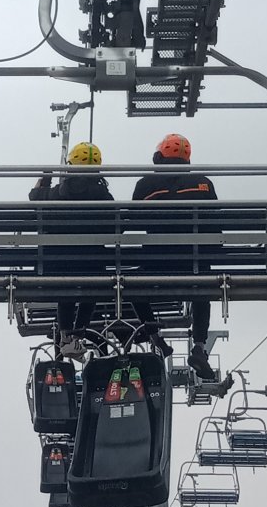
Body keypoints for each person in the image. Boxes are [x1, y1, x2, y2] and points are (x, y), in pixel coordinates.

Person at [132, 133, 217, 380]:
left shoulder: (145, 185)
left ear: (159, 157)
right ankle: (199, 347)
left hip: (157, 263)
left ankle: (155, 337)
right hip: (194, 264)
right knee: (204, 286)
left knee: (131, 286)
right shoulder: (204, 183)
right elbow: (215, 223)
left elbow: (132, 221)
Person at [29, 142, 113, 358]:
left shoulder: (57, 193)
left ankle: (66, 333)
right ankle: (78, 333)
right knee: (92, 286)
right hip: (93, 265)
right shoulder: (103, 196)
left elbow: (34, 196)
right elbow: (114, 224)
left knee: (65, 287)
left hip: (57, 264)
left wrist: (45, 177)